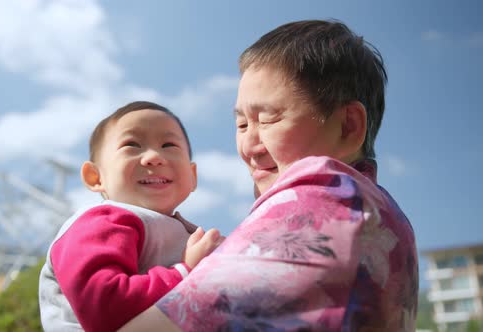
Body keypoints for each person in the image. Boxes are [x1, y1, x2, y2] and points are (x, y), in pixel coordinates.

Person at [120, 19, 418, 331]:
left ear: (348, 126)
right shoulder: (388, 220)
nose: (249, 146)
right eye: (242, 125)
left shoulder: (325, 197)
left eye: (268, 119)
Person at [38, 101, 221, 331]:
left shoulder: (177, 228)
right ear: (96, 177)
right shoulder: (101, 221)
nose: (154, 157)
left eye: (169, 145)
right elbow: (103, 305)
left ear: (192, 175)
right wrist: (186, 271)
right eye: (132, 145)